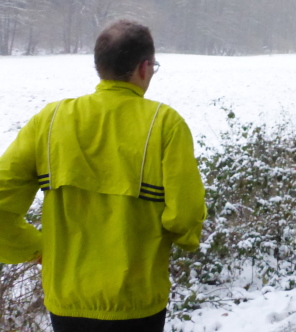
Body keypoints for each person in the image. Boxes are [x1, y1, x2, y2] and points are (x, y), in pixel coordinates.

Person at [0, 19, 206, 330]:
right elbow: (185, 216)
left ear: (99, 66)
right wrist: (185, 239)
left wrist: (38, 248)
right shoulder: (165, 124)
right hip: (137, 301)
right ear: (144, 67)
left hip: (67, 300)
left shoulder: (50, 120)